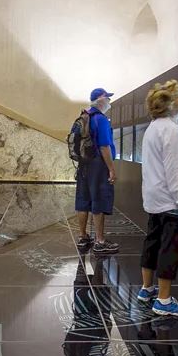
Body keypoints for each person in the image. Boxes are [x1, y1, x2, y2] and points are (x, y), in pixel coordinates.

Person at [137, 80, 178, 317]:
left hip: (156, 200)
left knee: (152, 242)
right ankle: (163, 300)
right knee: (170, 248)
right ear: (171, 103)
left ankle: (147, 288)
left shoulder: (154, 127)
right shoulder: (172, 131)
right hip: (171, 202)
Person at [75, 88, 119, 255]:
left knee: (83, 199)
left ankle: (83, 237)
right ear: (100, 99)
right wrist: (111, 169)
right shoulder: (101, 119)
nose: (109, 101)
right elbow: (104, 146)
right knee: (98, 200)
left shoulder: (84, 116)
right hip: (98, 166)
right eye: (107, 98)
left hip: (83, 164)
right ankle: (100, 241)